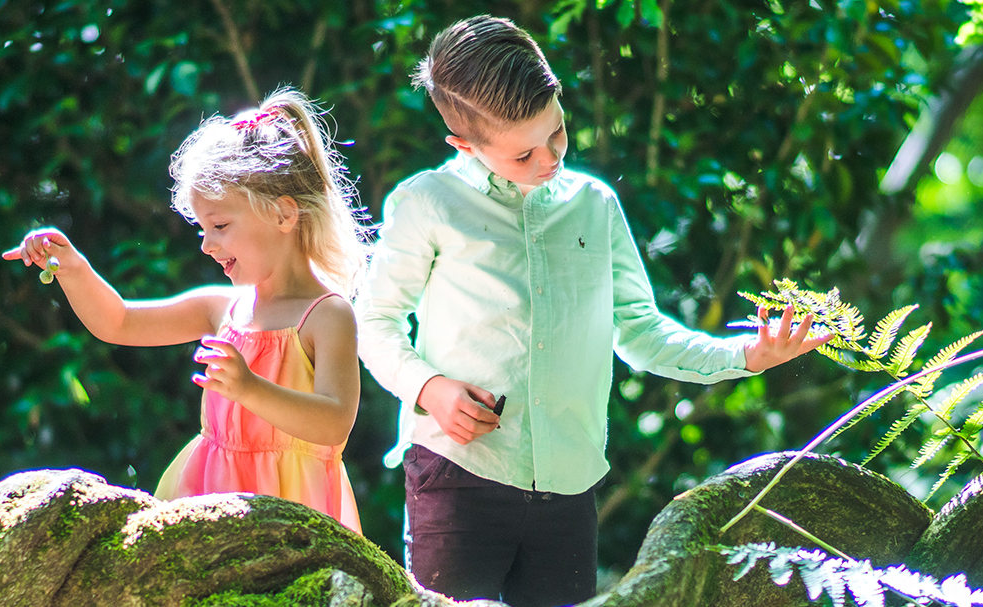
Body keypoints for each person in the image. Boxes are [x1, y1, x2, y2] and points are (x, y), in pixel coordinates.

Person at [355, 15, 833, 606]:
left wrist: (747, 354)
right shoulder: (427, 203)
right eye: (522, 154)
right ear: (465, 146)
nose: (549, 158)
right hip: (456, 475)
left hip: (569, 485)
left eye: (557, 133)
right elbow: (374, 323)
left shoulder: (594, 205)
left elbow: (638, 330)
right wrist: (429, 388)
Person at [3, 88, 367, 533]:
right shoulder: (222, 309)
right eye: (201, 227)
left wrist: (250, 388)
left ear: (283, 215)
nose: (206, 244)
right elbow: (117, 322)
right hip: (208, 496)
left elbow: (333, 424)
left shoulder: (327, 315)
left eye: (220, 226)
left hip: (294, 513)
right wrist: (73, 268)